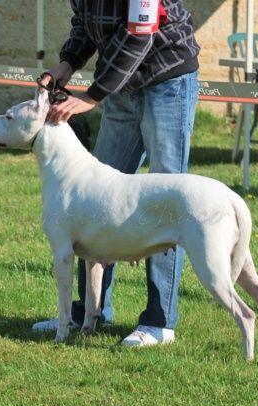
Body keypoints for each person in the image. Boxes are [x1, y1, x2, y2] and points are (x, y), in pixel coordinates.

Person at [32, 0, 201, 346]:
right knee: (93, 199)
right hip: (121, 84)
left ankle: (159, 322)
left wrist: (93, 95)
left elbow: (139, 35)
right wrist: (68, 62)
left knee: (166, 203)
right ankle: (90, 311)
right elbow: (86, 22)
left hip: (167, 79)